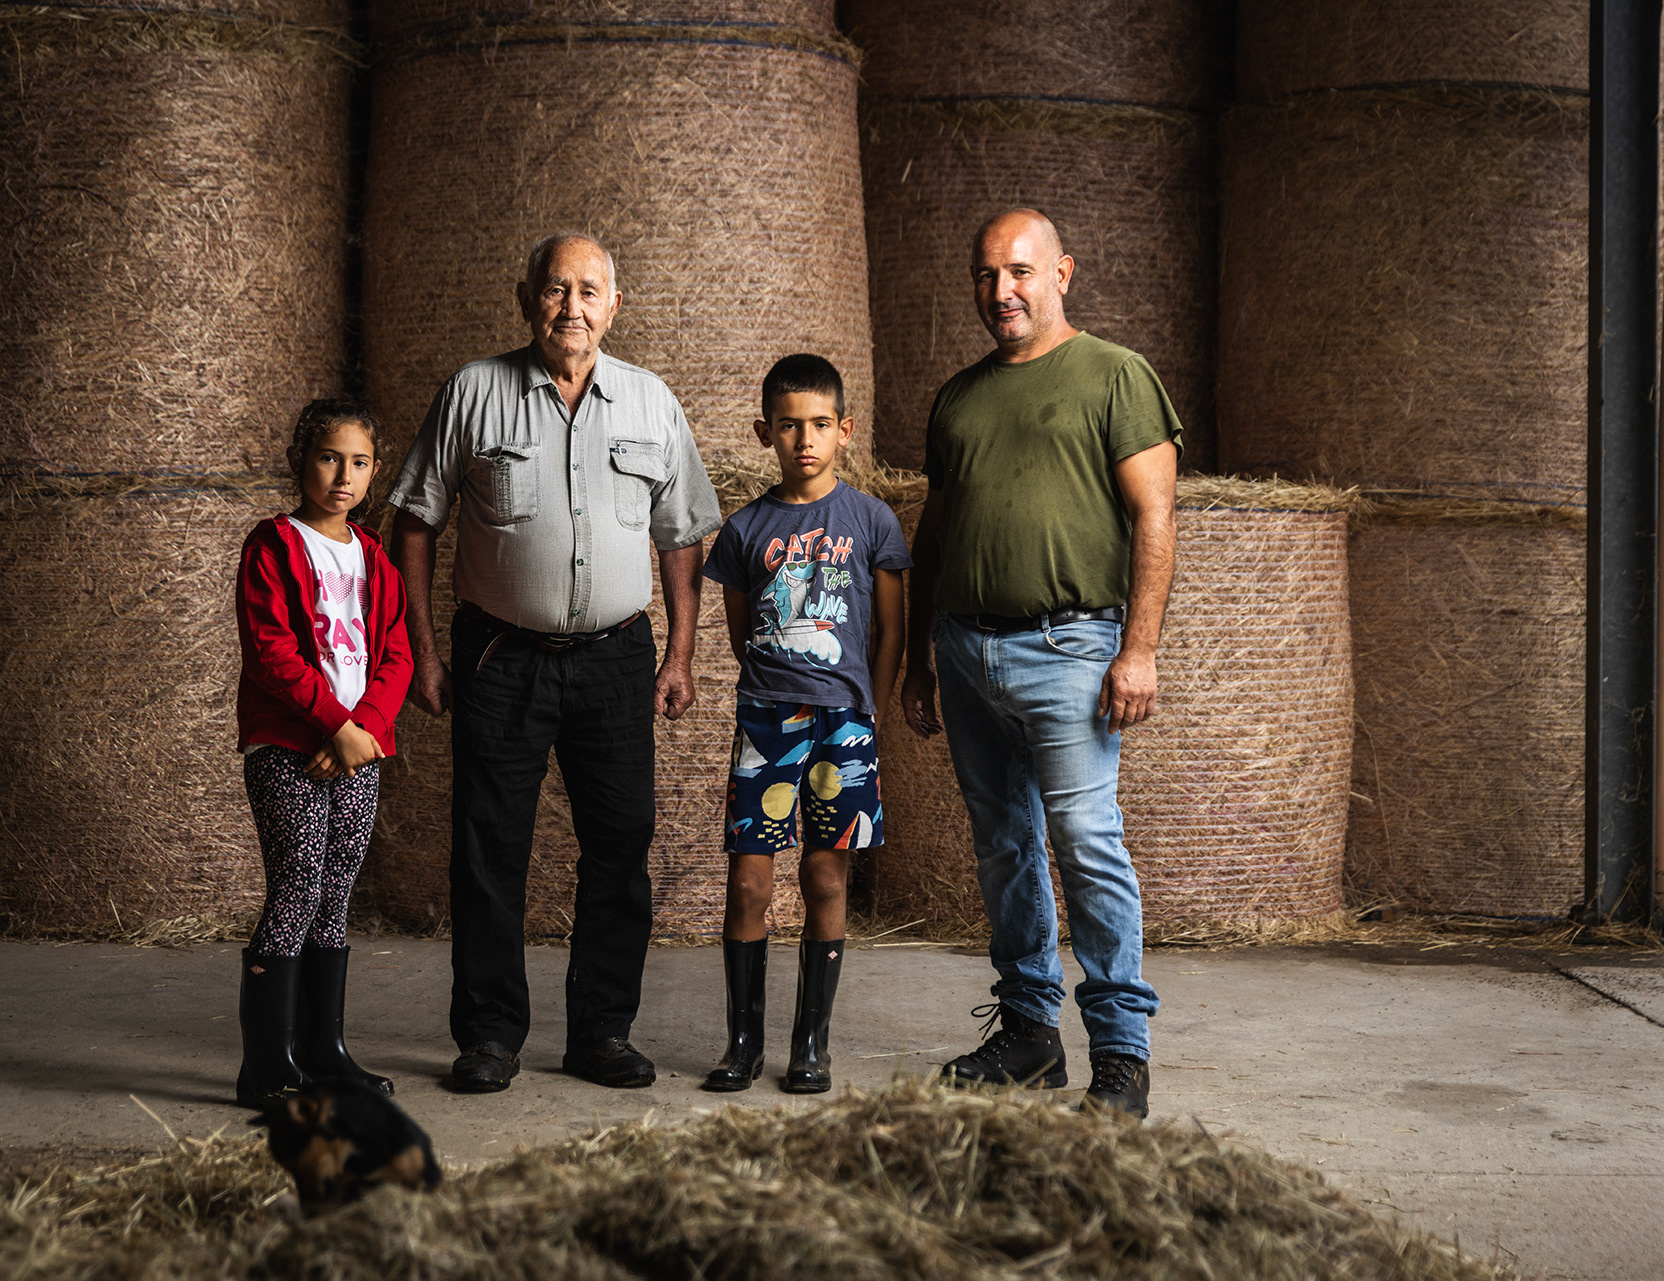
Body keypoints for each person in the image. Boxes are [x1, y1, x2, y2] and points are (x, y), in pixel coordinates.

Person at [386, 232, 721, 1094]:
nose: (571, 306)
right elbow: (414, 522)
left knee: (621, 842)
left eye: (589, 291)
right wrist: (423, 652)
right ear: (525, 295)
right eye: (555, 288)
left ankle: (601, 1032)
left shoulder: (651, 403)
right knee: (489, 846)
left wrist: (681, 651)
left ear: (616, 305)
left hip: (616, 657)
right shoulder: (474, 392)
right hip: (500, 655)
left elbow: (681, 534)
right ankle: (490, 1035)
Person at [902, 209, 1179, 1119]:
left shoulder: (1114, 374)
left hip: (1071, 649)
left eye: (1019, 271)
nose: (1001, 292)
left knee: (1087, 845)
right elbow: (937, 529)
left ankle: (1121, 1052)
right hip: (965, 645)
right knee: (1005, 846)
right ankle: (1028, 1033)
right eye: (985, 275)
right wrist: (917, 657)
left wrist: (1137, 650)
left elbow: (1155, 517)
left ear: (1063, 271)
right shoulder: (960, 395)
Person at [699, 354, 910, 1095]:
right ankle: (743, 1041)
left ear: (845, 430)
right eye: (788, 425)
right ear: (765, 432)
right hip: (766, 721)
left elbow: (890, 632)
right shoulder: (744, 530)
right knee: (750, 883)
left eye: (820, 424)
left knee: (825, 873)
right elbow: (737, 631)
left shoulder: (871, 520)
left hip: (843, 721)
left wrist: (866, 711)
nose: (804, 439)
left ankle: (810, 1044)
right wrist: (776, 687)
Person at [233, 398, 415, 1110]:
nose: (344, 475)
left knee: (336, 890)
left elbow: (396, 650)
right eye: (329, 457)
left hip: (358, 749)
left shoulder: (371, 555)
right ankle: (265, 1067)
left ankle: (323, 1050)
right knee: (296, 886)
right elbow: (271, 650)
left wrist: (362, 728)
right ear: (301, 461)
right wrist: (333, 726)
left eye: (360, 462)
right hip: (291, 746)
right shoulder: (273, 545)